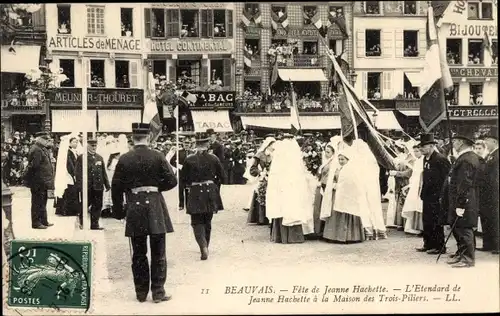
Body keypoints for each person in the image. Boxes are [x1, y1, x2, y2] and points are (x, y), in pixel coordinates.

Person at [111, 123, 177, 303]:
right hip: (155, 205)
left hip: (135, 206)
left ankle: (141, 293)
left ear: (133, 139)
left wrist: (119, 211)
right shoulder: (158, 155)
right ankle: (158, 292)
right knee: (159, 251)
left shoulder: (124, 159)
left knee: (138, 252)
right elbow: (172, 181)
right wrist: (155, 188)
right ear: (148, 138)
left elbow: (116, 187)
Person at [181, 134, 225, 260]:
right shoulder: (214, 158)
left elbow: (184, 178)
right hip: (210, 191)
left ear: (195, 145)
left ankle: (203, 246)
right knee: (208, 220)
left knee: (196, 221)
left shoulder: (189, 159)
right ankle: (206, 244)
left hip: (195, 191)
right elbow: (223, 176)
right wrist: (213, 185)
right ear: (207, 145)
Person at [443, 131, 481, 268]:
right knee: (458, 228)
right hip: (462, 199)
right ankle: (461, 254)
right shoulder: (466, 157)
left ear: (461, 142)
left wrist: (460, 204)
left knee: (464, 229)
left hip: (464, 200)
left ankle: (468, 259)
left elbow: (464, 183)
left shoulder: (467, 159)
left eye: (455, 141)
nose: (453, 144)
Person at [266, 134, 314, 244]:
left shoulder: (283, 155)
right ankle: (291, 236)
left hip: (288, 185)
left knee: (286, 208)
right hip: (287, 186)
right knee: (289, 207)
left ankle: (281, 236)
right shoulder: (289, 154)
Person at [418, 133, 451, 254]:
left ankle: (439, 246)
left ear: (432, 146)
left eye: (424, 146)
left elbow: (446, 179)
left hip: (437, 196)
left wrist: (443, 196)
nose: (421, 149)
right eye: (420, 146)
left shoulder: (440, 159)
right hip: (427, 195)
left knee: (436, 222)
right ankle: (428, 244)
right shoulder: (425, 159)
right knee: (427, 220)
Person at [75, 137, 110, 230]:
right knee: (85, 205)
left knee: (97, 205)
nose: (94, 147)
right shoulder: (82, 158)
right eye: (92, 146)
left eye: (95, 146)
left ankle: (95, 224)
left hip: (98, 186)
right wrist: (79, 186)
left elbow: (103, 172)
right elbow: (77, 173)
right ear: (87, 146)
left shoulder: (99, 157)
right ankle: (82, 222)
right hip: (87, 186)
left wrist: (107, 184)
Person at [24, 131, 55, 229]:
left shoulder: (42, 148)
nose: (47, 141)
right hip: (38, 181)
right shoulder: (37, 149)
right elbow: (34, 166)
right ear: (39, 139)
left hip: (43, 181)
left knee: (43, 201)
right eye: (45, 139)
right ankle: (36, 222)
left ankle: (43, 221)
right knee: (37, 202)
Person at [478, 128, 499, 255]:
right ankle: (488, 244)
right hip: (486, 193)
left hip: (493, 193)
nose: (486, 143)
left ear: (494, 142)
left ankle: (496, 245)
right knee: (487, 218)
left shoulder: (496, 155)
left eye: (488, 141)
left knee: (495, 219)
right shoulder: (490, 155)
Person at [247, 137, 275, 225]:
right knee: (261, 195)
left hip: (273, 177)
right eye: (272, 144)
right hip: (264, 177)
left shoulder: (276, 154)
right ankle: (262, 218)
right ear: (268, 145)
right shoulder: (260, 155)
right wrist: (261, 172)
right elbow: (253, 169)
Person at [55, 135, 80, 217]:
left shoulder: (73, 151)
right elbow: (70, 165)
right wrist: (74, 174)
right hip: (68, 176)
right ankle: (68, 210)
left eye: (76, 142)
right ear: (69, 143)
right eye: (74, 142)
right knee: (69, 192)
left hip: (70, 175)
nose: (76, 143)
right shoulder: (68, 152)